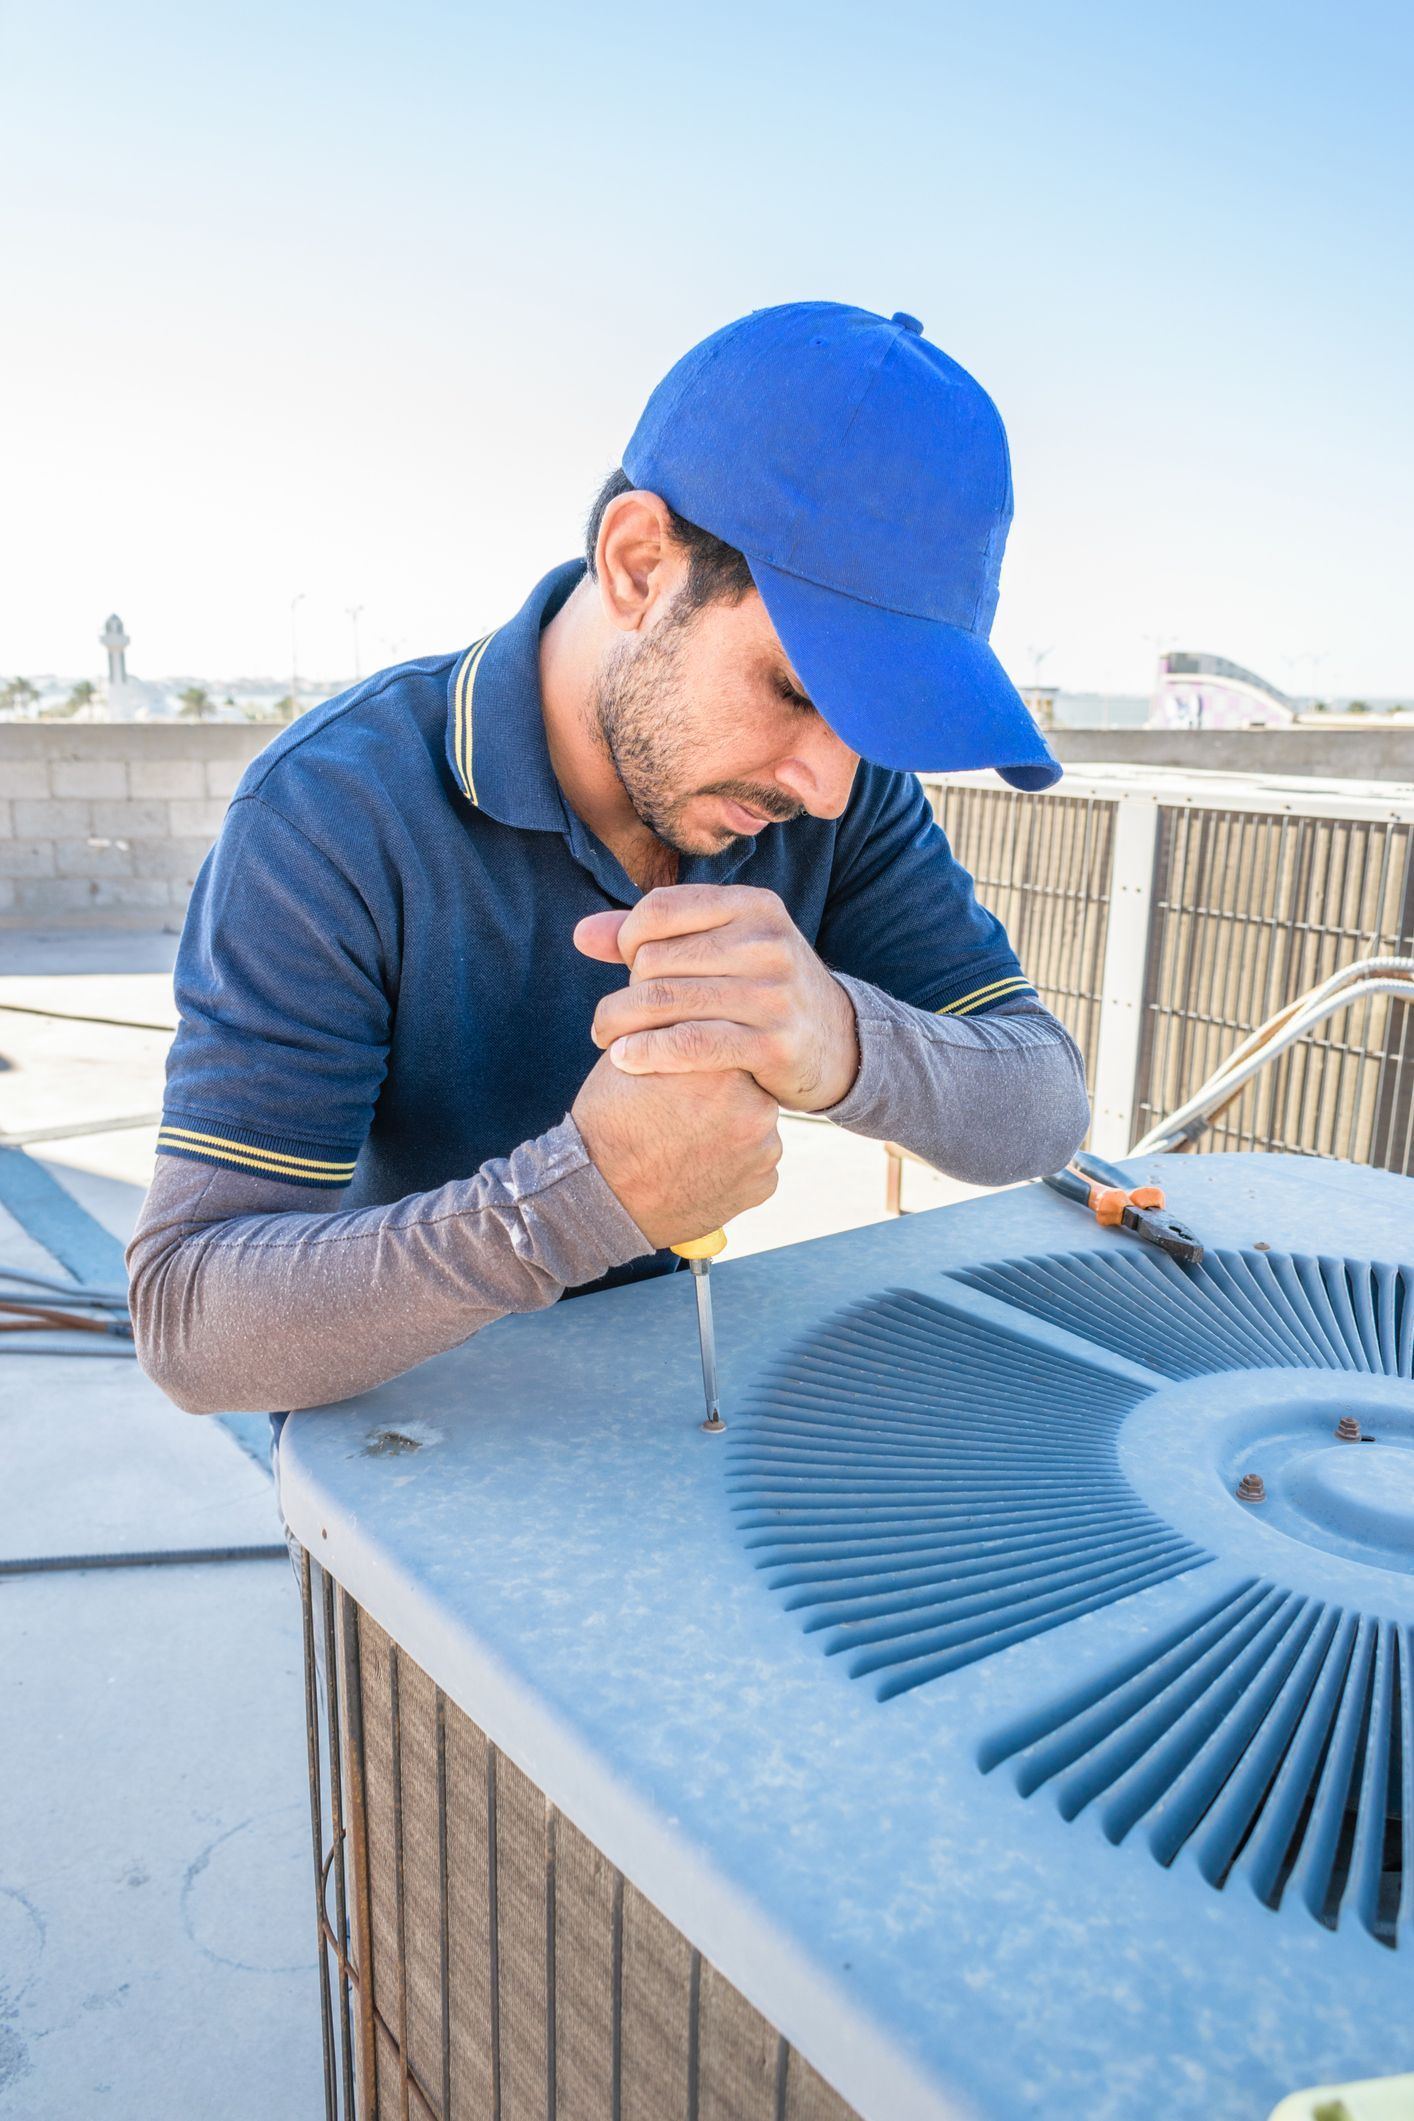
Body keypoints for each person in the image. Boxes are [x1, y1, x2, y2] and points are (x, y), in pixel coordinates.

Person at [128, 301, 1089, 1417]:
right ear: (638, 564)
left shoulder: (845, 788)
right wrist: (579, 1201)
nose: (824, 786)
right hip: (400, 1443)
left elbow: (1042, 1104)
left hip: (660, 1411)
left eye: (868, 716)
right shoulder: (334, 810)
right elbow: (194, 1325)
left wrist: (838, 1038)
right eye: (796, 689)